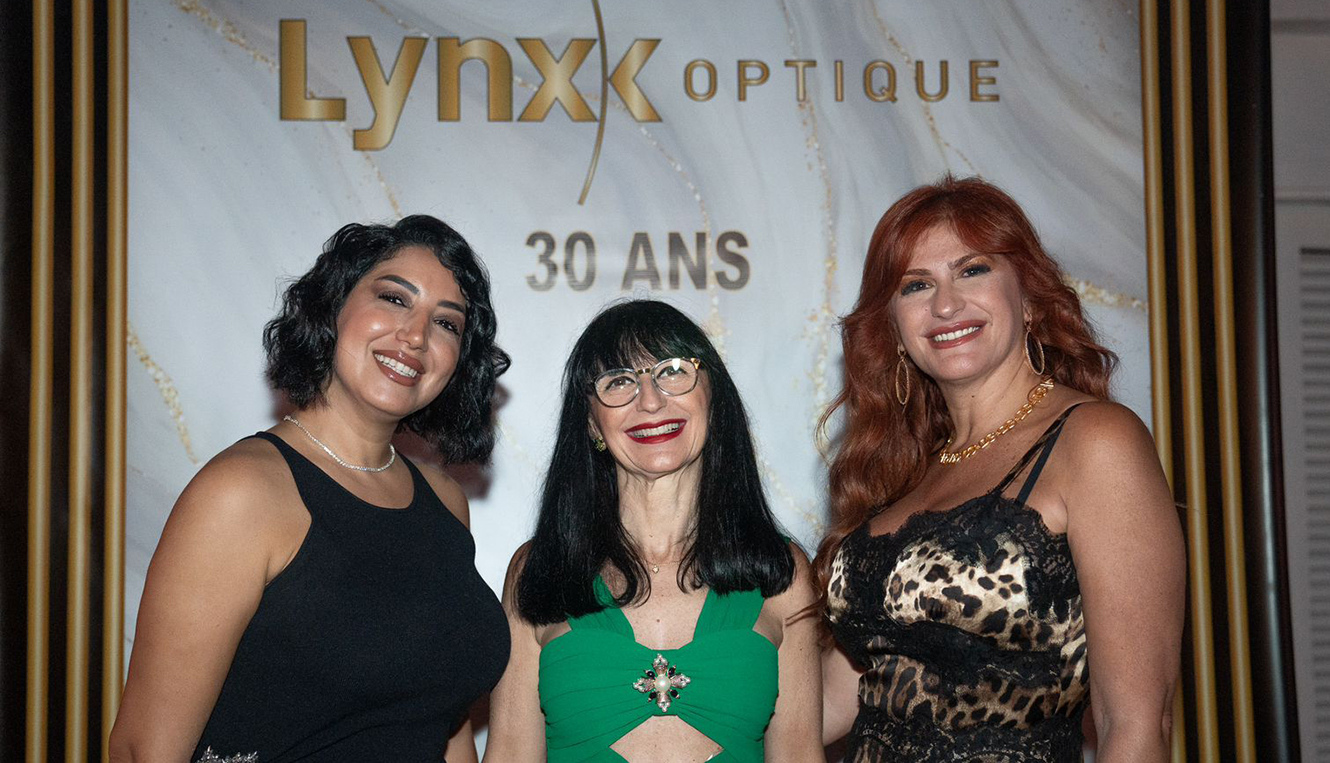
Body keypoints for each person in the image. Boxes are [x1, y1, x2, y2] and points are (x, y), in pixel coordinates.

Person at [110, 215, 512, 763]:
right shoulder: (243, 492)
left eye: (447, 323)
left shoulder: (445, 501)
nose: (416, 336)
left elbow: (442, 721)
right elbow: (143, 749)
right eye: (394, 299)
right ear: (332, 307)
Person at [816, 176, 1185, 762]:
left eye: (972, 270)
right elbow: (830, 704)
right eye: (916, 285)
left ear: (1030, 299)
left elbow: (1136, 724)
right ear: (894, 329)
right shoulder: (904, 472)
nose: (945, 304)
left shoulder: (1095, 441)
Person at [484, 300, 823, 763]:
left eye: (673, 371)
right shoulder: (538, 570)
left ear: (713, 400)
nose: (649, 400)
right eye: (618, 381)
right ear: (592, 423)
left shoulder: (783, 572)